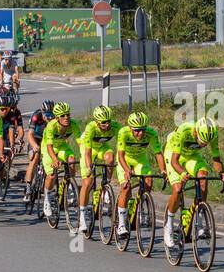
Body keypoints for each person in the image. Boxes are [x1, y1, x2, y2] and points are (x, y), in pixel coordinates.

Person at [162, 117, 224, 247]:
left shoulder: (212, 134)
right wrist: (182, 173)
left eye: (206, 143)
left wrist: (221, 174)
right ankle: (168, 225)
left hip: (192, 156)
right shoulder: (184, 130)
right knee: (178, 188)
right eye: (202, 142)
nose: (204, 145)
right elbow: (175, 161)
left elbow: (216, 159)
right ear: (196, 132)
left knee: (203, 177)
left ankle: (200, 218)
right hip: (174, 154)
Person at [114, 112, 165, 238]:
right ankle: (121, 223)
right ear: (131, 128)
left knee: (148, 182)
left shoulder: (151, 133)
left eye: (143, 130)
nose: (140, 133)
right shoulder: (123, 132)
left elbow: (158, 153)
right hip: (125, 159)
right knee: (125, 188)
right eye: (137, 131)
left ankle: (139, 209)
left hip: (140, 160)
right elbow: (120, 156)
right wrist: (126, 170)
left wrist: (163, 170)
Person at [77, 104, 118, 232]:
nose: (107, 125)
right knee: (88, 181)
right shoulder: (91, 128)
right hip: (88, 148)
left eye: (109, 121)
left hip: (101, 147)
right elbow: (88, 152)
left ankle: (106, 186)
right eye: (103, 123)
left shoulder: (115, 126)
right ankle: (82, 216)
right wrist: (89, 167)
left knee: (110, 158)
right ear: (96, 122)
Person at [40, 102, 81, 219]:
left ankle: (69, 187)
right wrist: (54, 159)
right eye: (63, 116)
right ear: (57, 118)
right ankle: (47, 199)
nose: (66, 117)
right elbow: (49, 147)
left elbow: (80, 143)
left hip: (62, 146)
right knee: (52, 175)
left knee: (72, 159)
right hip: (49, 148)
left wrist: (85, 156)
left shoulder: (73, 124)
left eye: (68, 114)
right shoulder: (51, 126)